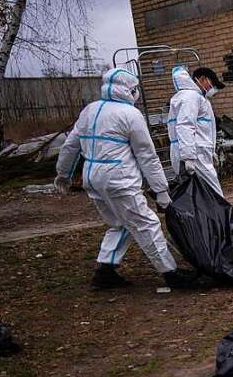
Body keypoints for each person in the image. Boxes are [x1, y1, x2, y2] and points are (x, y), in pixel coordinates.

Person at [54, 68, 207, 290]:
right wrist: (161, 191)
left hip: (92, 178)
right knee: (147, 223)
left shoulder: (90, 110)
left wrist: (63, 174)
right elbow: (147, 155)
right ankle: (171, 273)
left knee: (119, 223)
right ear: (129, 89)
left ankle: (105, 271)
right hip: (119, 179)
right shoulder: (130, 114)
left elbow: (71, 146)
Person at [167, 66, 225, 196]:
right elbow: (185, 126)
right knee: (213, 192)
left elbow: (202, 129)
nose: (213, 88)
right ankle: (222, 216)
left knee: (198, 194)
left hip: (195, 151)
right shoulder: (191, 97)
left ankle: (212, 216)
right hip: (195, 153)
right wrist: (188, 157)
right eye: (212, 84)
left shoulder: (193, 97)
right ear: (202, 79)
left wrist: (211, 151)